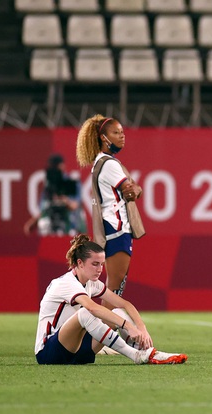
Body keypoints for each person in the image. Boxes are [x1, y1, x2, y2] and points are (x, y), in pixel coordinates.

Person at [34, 234, 187, 365]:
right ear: (79, 263)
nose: (100, 269)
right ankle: (136, 355)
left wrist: (142, 328)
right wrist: (128, 326)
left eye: (101, 264)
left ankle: (147, 352)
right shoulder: (66, 283)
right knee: (85, 314)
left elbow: (125, 304)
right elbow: (93, 308)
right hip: (49, 353)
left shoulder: (91, 282)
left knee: (118, 312)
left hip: (75, 351)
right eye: (95, 264)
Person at [76, 115, 143, 308]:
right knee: (114, 293)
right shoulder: (110, 164)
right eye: (115, 133)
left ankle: (96, 335)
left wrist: (135, 188)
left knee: (112, 292)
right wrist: (136, 189)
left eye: (122, 132)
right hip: (118, 229)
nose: (122, 136)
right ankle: (95, 336)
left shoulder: (101, 162)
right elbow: (130, 190)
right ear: (103, 138)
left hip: (111, 228)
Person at [24, 154, 87, 236]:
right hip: (50, 226)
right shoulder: (49, 187)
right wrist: (33, 223)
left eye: (57, 166)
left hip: (69, 225)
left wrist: (65, 201)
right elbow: (43, 209)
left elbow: (75, 205)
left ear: (62, 166)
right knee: (44, 224)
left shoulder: (70, 184)